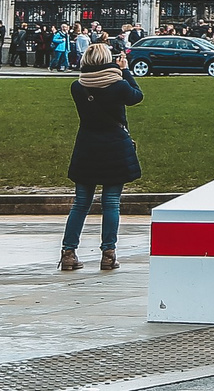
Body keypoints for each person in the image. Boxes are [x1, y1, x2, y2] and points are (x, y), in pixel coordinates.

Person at [61, 41, 143, 272]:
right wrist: (125, 69)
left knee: (81, 202)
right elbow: (137, 96)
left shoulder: (78, 86)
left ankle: (68, 252)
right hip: (114, 145)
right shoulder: (118, 85)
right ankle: (108, 253)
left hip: (87, 145)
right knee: (111, 202)